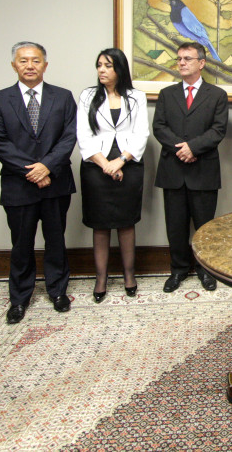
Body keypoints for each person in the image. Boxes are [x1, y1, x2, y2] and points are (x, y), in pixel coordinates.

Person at [0, 42, 77, 324]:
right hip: (18, 184)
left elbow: (70, 136)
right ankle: (19, 298)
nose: (29, 65)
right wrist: (33, 171)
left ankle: (58, 291)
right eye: (23, 60)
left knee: (56, 240)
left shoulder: (63, 97)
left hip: (56, 183)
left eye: (35, 60)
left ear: (45, 65)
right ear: (14, 65)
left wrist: (47, 166)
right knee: (21, 243)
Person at [153, 42, 228, 293]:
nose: (182, 63)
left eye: (187, 58)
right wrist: (181, 149)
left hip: (203, 170)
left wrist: (193, 148)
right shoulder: (167, 94)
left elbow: (218, 130)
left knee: (205, 226)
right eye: (179, 59)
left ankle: (206, 270)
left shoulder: (217, 95)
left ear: (202, 63)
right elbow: (159, 127)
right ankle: (178, 270)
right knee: (175, 226)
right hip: (173, 170)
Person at [77, 48, 148, 302]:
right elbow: (83, 135)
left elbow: (141, 133)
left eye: (107, 65)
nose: (102, 70)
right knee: (100, 223)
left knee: (126, 222)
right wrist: (105, 164)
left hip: (129, 164)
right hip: (96, 166)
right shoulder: (88, 96)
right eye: (99, 65)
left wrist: (120, 161)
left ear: (119, 69)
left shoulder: (136, 97)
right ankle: (101, 279)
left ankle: (129, 276)